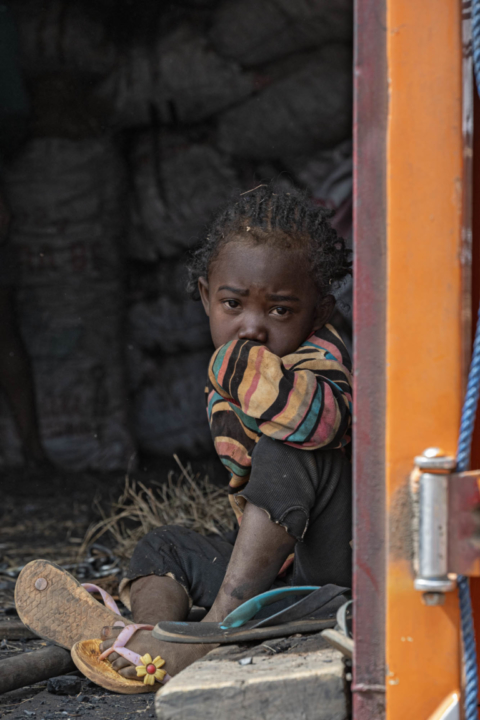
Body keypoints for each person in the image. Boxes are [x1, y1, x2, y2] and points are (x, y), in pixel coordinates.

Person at [99, 185, 353, 679]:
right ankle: (156, 638)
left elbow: (318, 424)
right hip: (280, 576)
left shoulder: (319, 361)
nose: (251, 327)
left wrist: (236, 366)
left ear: (319, 312)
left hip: (333, 574)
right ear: (205, 297)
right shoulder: (240, 369)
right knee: (164, 547)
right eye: (232, 304)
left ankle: (214, 633)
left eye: (280, 310)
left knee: (290, 446)